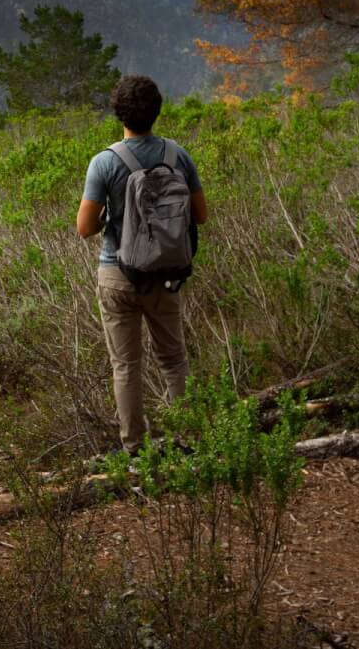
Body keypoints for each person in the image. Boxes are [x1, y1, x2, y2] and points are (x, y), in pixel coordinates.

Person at [74, 74, 208, 450]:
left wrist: (109, 217)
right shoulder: (177, 155)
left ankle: (134, 447)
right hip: (166, 275)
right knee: (174, 361)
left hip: (118, 275)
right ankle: (185, 438)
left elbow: (84, 227)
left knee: (127, 366)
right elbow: (201, 215)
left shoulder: (104, 162)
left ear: (119, 113)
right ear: (157, 111)